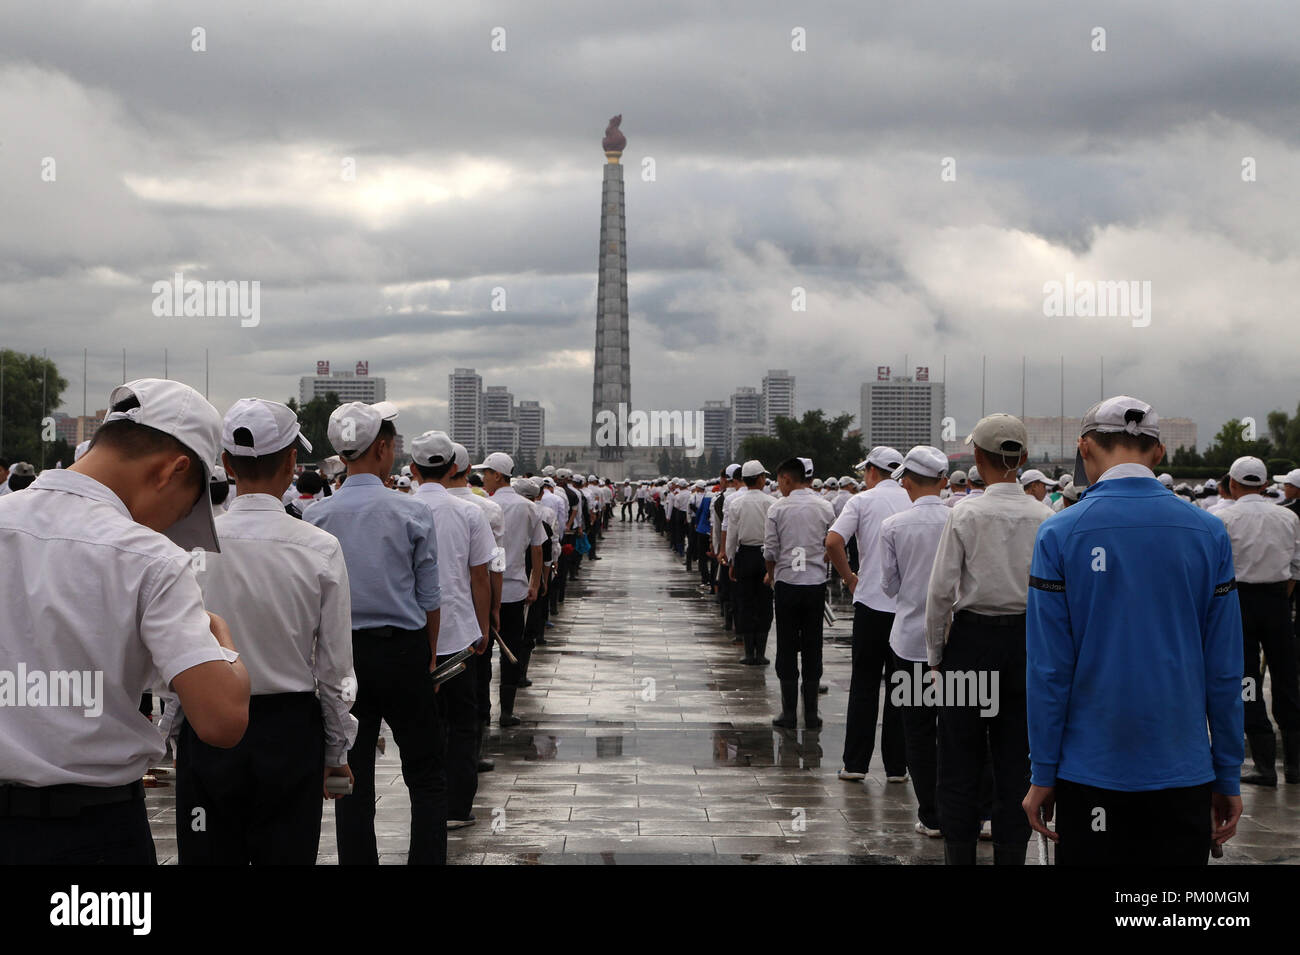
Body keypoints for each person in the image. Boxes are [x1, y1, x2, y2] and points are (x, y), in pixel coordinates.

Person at [0, 378, 250, 864]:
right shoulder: (151, 558)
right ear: (173, 470)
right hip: (95, 832)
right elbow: (222, 721)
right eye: (183, 510)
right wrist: (221, 641)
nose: (169, 527)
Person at [1024, 397, 1245, 865]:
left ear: (1084, 448)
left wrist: (1043, 771)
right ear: (1159, 453)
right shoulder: (1208, 533)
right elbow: (1225, 671)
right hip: (1182, 772)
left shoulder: (1060, 534)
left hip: (1090, 772)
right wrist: (1226, 773)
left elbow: (1048, 670)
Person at [183, 397, 357, 864]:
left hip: (210, 725)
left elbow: (172, 656)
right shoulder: (319, 548)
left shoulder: (192, 547)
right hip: (288, 733)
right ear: (292, 462)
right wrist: (337, 751)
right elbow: (336, 667)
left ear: (227, 464)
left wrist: (171, 730)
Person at [305, 400, 446, 865]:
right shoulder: (410, 512)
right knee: (425, 773)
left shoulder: (317, 517)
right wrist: (426, 654)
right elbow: (429, 597)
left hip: (343, 657)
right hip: (403, 650)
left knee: (351, 774)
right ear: (383, 449)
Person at [925, 414, 1051, 865]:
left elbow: (940, 593)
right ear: (1022, 459)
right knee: (1017, 761)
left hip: (972, 644)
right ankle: (1010, 856)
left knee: (959, 759)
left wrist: (936, 656)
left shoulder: (966, 513)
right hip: (1026, 645)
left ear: (978, 457)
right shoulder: (1046, 516)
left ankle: (959, 855)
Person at [409, 431, 494, 827]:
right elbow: (480, 577)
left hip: (415, 633)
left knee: (427, 722)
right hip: (460, 635)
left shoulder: (403, 509)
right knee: (464, 722)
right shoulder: (471, 513)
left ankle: (428, 801)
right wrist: (483, 627)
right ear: (454, 469)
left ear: (412, 469)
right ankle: (458, 807)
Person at [826, 446, 910, 783]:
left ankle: (856, 764)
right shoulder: (912, 500)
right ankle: (897, 767)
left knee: (863, 684)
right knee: (900, 687)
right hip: (906, 608)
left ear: (873, 471)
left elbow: (833, 542)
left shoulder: (861, 501)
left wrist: (849, 578)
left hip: (871, 602)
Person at [879, 446, 951, 838]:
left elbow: (888, 585)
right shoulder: (960, 519)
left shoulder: (894, 525)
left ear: (906, 480)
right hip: (954, 643)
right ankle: (967, 809)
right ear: (943, 482)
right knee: (959, 728)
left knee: (919, 732)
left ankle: (930, 814)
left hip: (909, 643)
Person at [1218, 455, 1300, 786]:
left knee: (1247, 679)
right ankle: (1294, 765)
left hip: (1239, 603)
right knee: (1286, 677)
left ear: (1233, 484)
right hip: (1278, 601)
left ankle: (1265, 764)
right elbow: (1296, 567)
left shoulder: (1225, 518)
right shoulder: (1287, 517)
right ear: (1266, 485)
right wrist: (1282, 595)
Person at [764, 458, 836, 728]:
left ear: (785, 479)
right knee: (812, 645)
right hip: (815, 585)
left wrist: (771, 575)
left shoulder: (777, 509)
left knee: (786, 646)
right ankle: (812, 714)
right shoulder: (825, 507)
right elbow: (832, 543)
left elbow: (770, 549)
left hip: (787, 585)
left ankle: (789, 713)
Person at [445, 442, 504, 772]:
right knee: (476, 685)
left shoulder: (414, 505)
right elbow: (495, 564)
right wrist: (494, 608)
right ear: (468, 471)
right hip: (471, 615)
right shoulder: (487, 509)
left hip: (431, 618)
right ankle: (472, 753)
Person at [475, 451, 545, 727]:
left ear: (498, 475)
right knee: (510, 652)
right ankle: (506, 710)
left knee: (482, 652)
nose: (483, 479)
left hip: (486, 590)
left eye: (486, 473)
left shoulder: (484, 506)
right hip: (515, 589)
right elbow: (537, 549)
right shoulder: (528, 507)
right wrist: (535, 583)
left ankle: (483, 711)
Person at [725, 460, 775, 666]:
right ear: (761, 478)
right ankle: (760, 652)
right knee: (764, 603)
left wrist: (731, 560)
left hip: (744, 555)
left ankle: (748, 652)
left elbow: (732, 535)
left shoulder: (736, 503)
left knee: (745, 602)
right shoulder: (772, 502)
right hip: (765, 556)